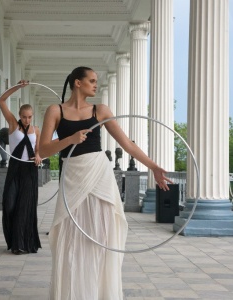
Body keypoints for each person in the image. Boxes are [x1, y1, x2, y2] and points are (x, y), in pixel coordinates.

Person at [39, 66, 172, 299]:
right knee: (71, 238)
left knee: (101, 235)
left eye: (96, 81)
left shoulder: (100, 110)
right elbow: (43, 149)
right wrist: (69, 139)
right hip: (72, 175)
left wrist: (154, 167)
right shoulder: (55, 110)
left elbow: (127, 144)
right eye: (91, 80)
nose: (95, 84)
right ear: (77, 83)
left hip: (99, 174)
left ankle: (100, 293)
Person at [0, 80, 42, 255]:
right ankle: (14, 239)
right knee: (9, 204)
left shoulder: (36, 130)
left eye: (30, 116)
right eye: (24, 116)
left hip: (30, 171)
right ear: (19, 115)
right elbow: (1, 100)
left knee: (25, 207)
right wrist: (17, 87)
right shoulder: (13, 125)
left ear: (32, 116)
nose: (27, 119)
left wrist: (38, 156)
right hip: (14, 169)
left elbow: (38, 149)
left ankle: (21, 244)